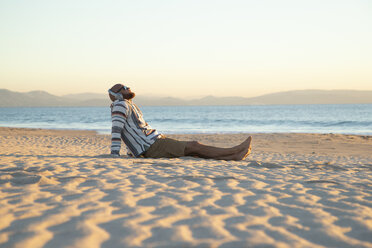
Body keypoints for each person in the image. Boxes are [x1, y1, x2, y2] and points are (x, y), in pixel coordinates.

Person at [108, 83, 252, 160]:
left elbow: (131, 131)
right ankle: (234, 152)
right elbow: (117, 130)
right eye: (124, 88)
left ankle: (233, 155)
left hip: (153, 142)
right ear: (117, 94)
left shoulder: (128, 105)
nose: (128, 88)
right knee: (194, 146)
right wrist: (115, 153)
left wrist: (130, 152)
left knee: (193, 151)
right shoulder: (120, 104)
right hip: (152, 146)